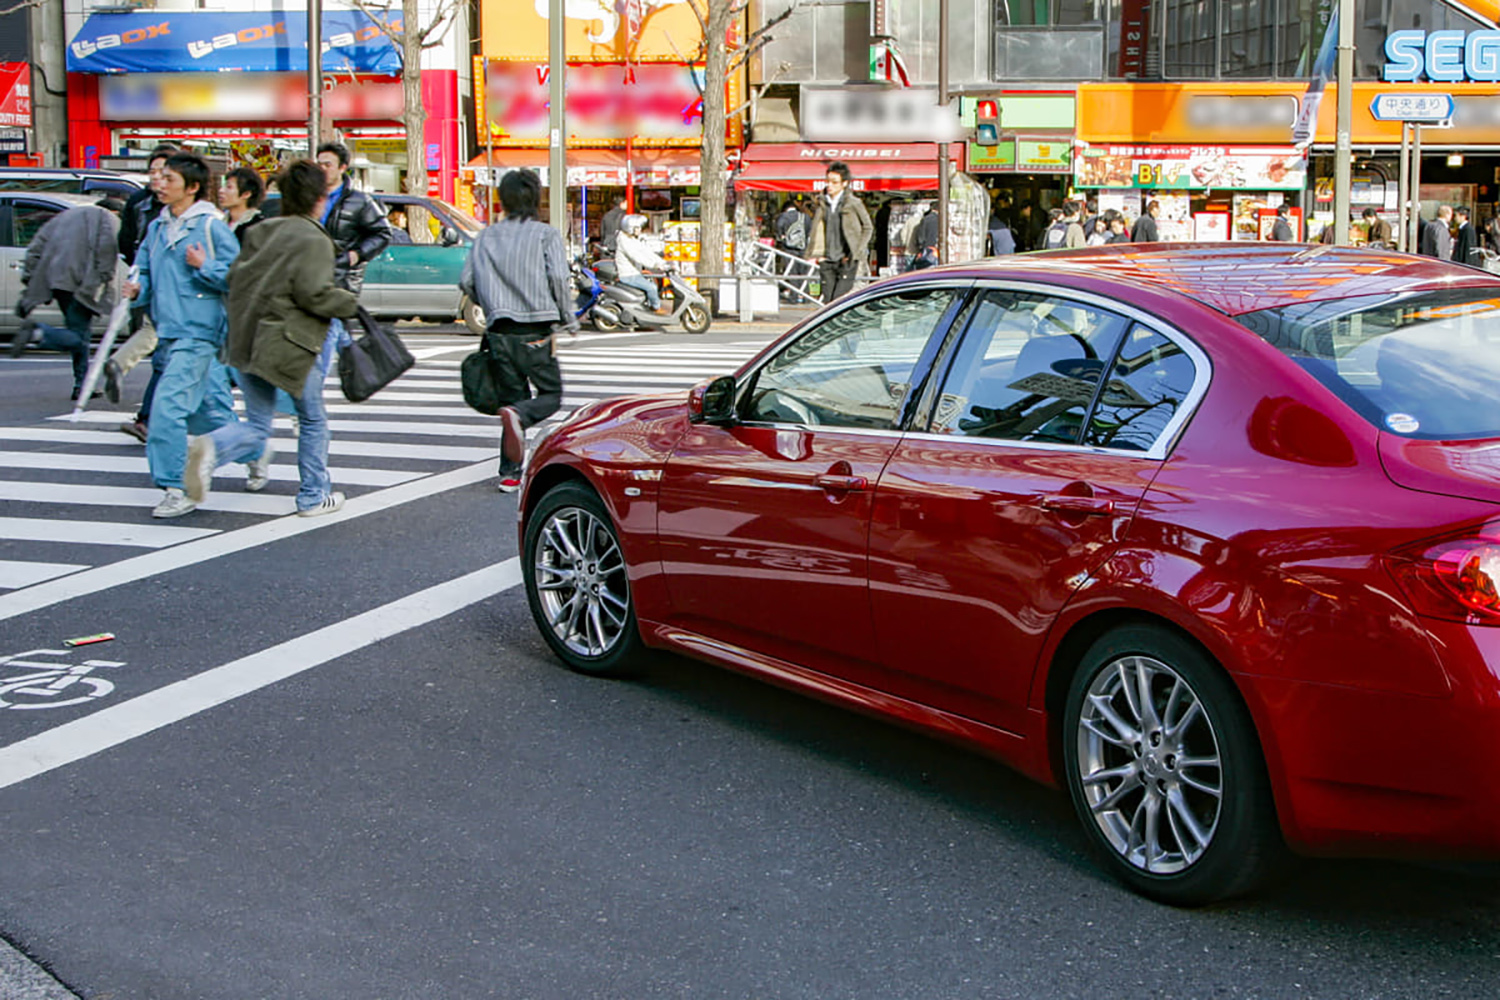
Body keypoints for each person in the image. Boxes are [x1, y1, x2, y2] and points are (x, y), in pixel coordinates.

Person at [185, 160, 359, 517]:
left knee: (258, 424)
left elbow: (235, 278)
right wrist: (348, 302)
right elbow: (314, 294)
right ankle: (313, 495)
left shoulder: (261, 232)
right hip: (290, 342)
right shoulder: (314, 237)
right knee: (312, 419)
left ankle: (214, 446)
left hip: (247, 340)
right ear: (320, 198)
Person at [122, 152, 241, 519]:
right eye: (157, 177)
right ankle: (253, 449)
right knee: (211, 413)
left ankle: (177, 486)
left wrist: (204, 266)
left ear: (191, 188)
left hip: (199, 331)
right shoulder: (157, 228)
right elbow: (141, 269)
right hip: (168, 331)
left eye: (168, 179)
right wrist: (136, 288)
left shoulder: (210, 226)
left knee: (167, 411)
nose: (159, 184)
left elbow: (238, 275)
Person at [458, 169, 578, 493]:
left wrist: (492, 301)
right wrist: (568, 317)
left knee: (513, 397)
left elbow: (466, 281)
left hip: (499, 331)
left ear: (504, 199)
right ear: (535, 197)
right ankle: (518, 416)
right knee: (549, 396)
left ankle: (510, 474)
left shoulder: (485, 237)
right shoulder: (545, 235)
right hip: (537, 329)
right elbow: (558, 279)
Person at [11, 198, 121, 400]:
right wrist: (104, 278)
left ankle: (82, 385)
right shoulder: (109, 219)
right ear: (115, 211)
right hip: (82, 282)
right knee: (79, 336)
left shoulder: (64, 216)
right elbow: (107, 250)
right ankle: (39, 333)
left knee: (79, 332)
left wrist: (31, 277)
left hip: (56, 279)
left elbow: (36, 246)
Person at [108, 143, 177, 427]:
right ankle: (148, 418)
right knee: (159, 341)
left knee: (157, 340)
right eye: (153, 171)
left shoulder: (177, 208)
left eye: (164, 172)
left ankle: (146, 413)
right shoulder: (147, 206)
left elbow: (126, 245)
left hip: (147, 279)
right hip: (155, 282)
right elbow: (125, 242)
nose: (157, 177)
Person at [315, 141, 393, 295]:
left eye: (327, 165)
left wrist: (356, 255)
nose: (322, 169)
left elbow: (382, 233)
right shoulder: (308, 198)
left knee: (336, 317)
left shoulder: (360, 201)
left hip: (342, 279)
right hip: (310, 275)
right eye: (319, 165)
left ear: (342, 167)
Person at [808, 161, 873, 304]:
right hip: (827, 259)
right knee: (827, 302)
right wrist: (818, 255)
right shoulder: (822, 204)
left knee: (838, 301)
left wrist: (856, 251)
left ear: (844, 183)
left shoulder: (853, 203)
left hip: (846, 259)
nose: (829, 185)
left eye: (834, 182)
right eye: (828, 181)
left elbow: (868, 227)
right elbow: (817, 230)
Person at [614, 214, 668, 310]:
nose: (640, 230)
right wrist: (655, 265)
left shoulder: (632, 239)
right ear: (631, 228)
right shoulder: (625, 242)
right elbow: (637, 256)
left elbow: (646, 251)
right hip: (628, 275)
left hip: (634, 273)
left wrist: (662, 262)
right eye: (637, 228)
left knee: (652, 285)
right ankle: (656, 308)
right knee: (652, 288)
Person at [219, 166, 265, 243]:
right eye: (223, 186)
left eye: (229, 187)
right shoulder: (220, 223)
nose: (221, 191)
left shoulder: (258, 227)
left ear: (246, 194)